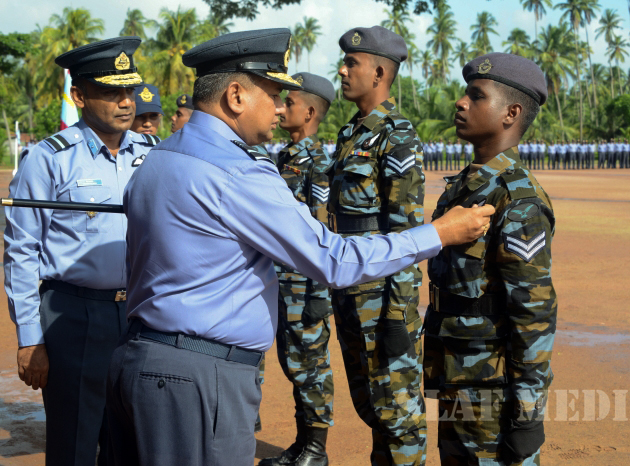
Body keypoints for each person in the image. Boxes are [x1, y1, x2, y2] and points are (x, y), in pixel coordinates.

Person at [105, 28, 494, 466]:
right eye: (272, 94)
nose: (277, 108)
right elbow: (332, 258)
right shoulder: (239, 173)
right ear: (235, 95)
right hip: (197, 379)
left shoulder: (157, 158)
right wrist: (439, 233)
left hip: (135, 360)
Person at [4, 36, 159, 466]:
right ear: (79, 95)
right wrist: (30, 339)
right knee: (74, 445)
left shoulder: (152, 154)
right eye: (111, 91)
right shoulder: (48, 159)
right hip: (73, 318)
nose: (125, 102)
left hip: (139, 318)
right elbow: (21, 251)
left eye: (128, 91)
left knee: (130, 442)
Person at [424, 52, 557, 465]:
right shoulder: (466, 187)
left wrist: (527, 415)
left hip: (493, 392)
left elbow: (533, 314)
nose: (461, 103)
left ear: (510, 114)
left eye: (476, 96)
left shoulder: (517, 199)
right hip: (456, 375)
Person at [327, 25, 429, 466]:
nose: (343, 70)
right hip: (351, 291)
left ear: (380, 72)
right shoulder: (351, 133)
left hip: (382, 299)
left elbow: (407, 235)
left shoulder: (396, 134)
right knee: (372, 407)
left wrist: (397, 315)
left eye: (353, 63)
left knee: (399, 413)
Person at [260, 72, 336, 466]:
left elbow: (322, 235)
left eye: (288, 103)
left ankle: (315, 450)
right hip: (281, 282)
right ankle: (301, 443)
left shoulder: (318, 163)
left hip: (305, 288)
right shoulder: (283, 157)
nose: (280, 107)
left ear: (308, 112)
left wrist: (320, 298)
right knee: (294, 365)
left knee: (310, 368)